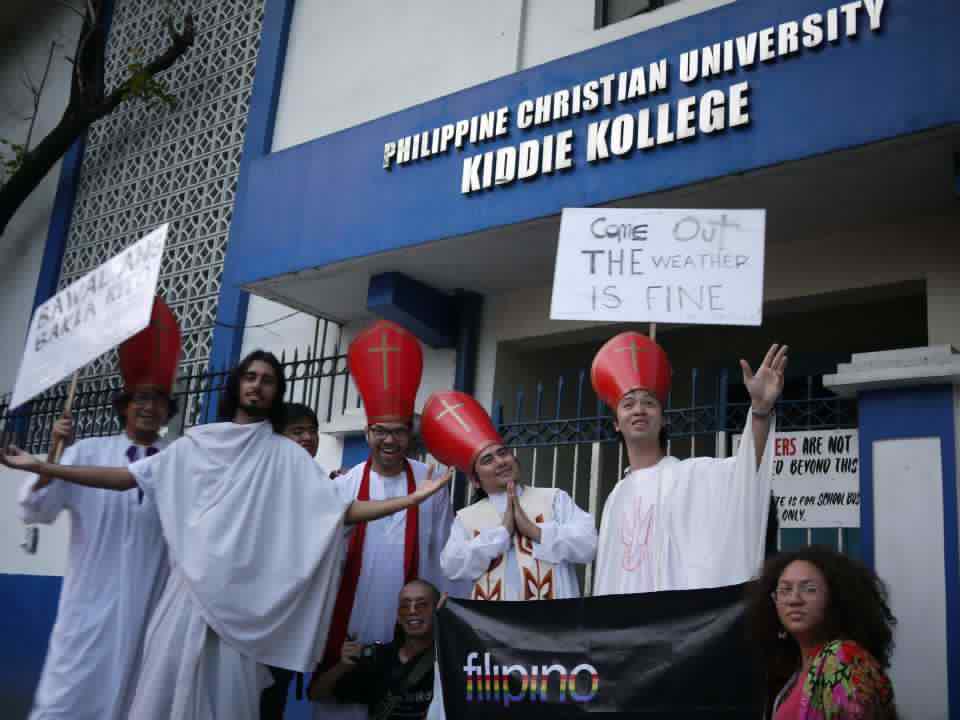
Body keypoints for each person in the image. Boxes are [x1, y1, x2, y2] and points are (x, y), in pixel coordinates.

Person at [1, 349, 453, 720]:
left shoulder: (286, 457)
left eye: (268, 380)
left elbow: (342, 510)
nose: (258, 385)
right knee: (164, 701)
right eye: (251, 377)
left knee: (231, 706)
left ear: (276, 393)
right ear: (237, 385)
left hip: (244, 612)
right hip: (189, 600)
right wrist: (44, 466)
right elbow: (127, 477)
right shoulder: (199, 443)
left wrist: (409, 500)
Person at [17, 296, 180, 720]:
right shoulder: (87, 453)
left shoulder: (178, 462)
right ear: (124, 406)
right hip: (89, 613)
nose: (149, 406)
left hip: (149, 612)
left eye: (158, 399)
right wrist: (51, 458)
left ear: (168, 410)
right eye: (140, 398)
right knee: (66, 704)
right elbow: (35, 509)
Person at [314, 321, 457, 720]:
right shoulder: (343, 487)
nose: (390, 440)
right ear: (367, 432)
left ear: (410, 434)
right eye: (381, 431)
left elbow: (447, 554)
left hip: (411, 626)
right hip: (353, 618)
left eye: (398, 431)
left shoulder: (430, 481)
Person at [591, 332, 787, 595]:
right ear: (616, 423)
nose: (639, 410)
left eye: (649, 403)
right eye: (628, 404)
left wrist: (760, 411)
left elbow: (746, 474)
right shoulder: (615, 497)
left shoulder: (692, 475)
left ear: (664, 420)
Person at [423, 390, 597, 601]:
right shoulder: (466, 519)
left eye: (503, 453)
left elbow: (588, 545)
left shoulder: (554, 499)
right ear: (475, 480)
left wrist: (535, 531)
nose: (500, 462)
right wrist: (500, 533)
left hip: (553, 618)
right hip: (494, 621)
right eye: (487, 460)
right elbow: (452, 566)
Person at [747, 546, 897, 719]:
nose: (794, 599)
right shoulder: (796, 670)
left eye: (809, 589)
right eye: (785, 589)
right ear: (774, 600)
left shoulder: (842, 657)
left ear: (835, 598)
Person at [260, 402, 331, 719]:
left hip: (292, 614)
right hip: (257, 611)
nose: (307, 438)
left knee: (276, 696)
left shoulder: (323, 484)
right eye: (297, 431)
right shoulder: (261, 479)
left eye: (312, 431)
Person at [310, 579, 441, 720]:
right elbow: (317, 694)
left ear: (437, 611)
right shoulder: (379, 658)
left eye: (422, 604)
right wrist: (342, 667)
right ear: (398, 616)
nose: (412, 611)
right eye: (405, 605)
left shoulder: (450, 659)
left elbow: (463, 697)